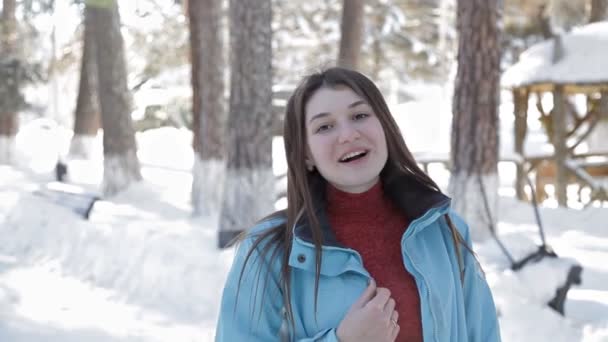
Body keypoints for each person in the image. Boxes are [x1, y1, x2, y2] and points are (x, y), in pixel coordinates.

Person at [215, 67, 501, 342]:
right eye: (325, 126)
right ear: (305, 154)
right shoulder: (268, 252)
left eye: (360, 115)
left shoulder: (444, 230)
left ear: (385, 128)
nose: (348, 134)